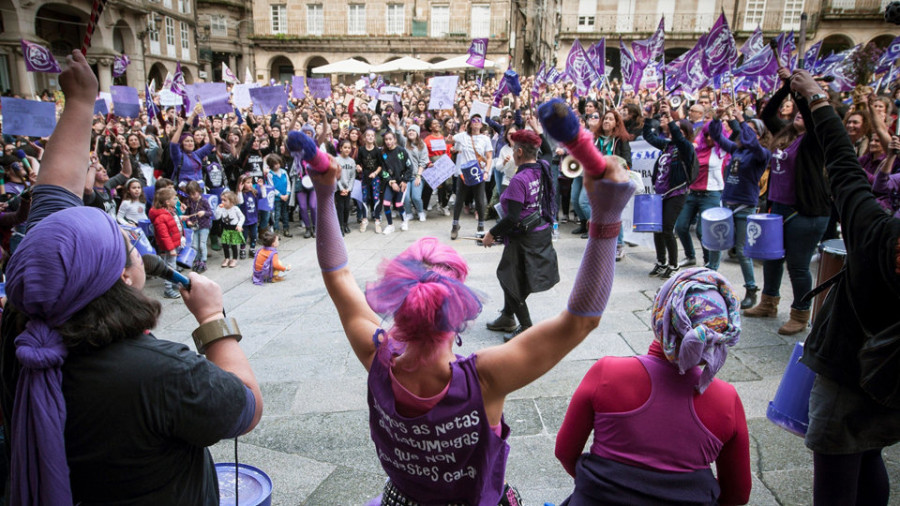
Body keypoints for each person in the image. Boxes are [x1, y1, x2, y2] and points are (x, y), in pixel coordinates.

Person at [304, 98, 636, 504]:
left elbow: (336, 276)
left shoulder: (378, 358)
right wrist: (607, 218)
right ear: (459, 310)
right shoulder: (485, 380)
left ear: (399, 301)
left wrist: (324, 194)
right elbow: (581, 321)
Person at [0, 49, 261, 505]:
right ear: (122, 279)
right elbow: (244, 406)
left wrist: (80, 101)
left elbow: (54, 191)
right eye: (127, 245)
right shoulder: (160, 373)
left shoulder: (21, 330)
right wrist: (213, 318)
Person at [790, 69, 900, 506]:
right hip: (893, 380)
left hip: (849, 372)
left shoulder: (875, 233)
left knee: (839, 469)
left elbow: (843, 163)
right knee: (871, 450)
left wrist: (817, 99)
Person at [555, 268, 750, 505]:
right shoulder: (726, 400)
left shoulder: (608, 373)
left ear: (660, 315)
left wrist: (604, 486)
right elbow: (737, 494)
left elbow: (565, 452)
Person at [744, 68, 831, 335]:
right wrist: (785, 87)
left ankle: (801, 313)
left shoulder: (815, 139)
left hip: (805, 212)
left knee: (798, 265)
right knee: (772, 258)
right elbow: (769, 113)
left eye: (801, 113)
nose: (796, 115)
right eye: (794, 112)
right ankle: (769, 302)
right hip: (778, 209)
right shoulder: (786, 134)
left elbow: (814, 120)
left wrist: (802, 91)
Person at [482, 129, 560, 341]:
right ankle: (508, 317)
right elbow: (547, 152)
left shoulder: (519, 180)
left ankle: (525, 326)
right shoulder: (543, 166)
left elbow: (512, 218)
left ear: (518, 152)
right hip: (540, 232)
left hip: (523, 237)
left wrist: (491, 233)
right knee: (514, 278)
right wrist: (541, 132)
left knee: (508, 278)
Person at [708, 107, 772, 309]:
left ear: (759, 135)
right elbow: (717, 136)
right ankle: (708, 282)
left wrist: (743, 121)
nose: (746, 133)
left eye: (752, 130)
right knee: (716, 245)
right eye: (746, 129)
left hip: (745, 206)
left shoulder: (761, 154)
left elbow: (752, 142)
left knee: (743, 251)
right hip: (727, 203)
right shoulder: (737, 150)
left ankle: (751, 289)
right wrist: (718, 119)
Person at [643, 101, 697, 279]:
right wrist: (649, 119)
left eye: (679, 129)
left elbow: (680, 138)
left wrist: (671, 117)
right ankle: (661, 262)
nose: (674, 132)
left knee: (667, 229)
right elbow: (648, 137)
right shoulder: (667, 145)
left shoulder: (686, 148)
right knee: (657, 229)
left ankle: (673, 265)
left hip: (676, 193)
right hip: (660, 193)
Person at [450, 114, 493, 240]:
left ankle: (480, 226)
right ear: (469, 123)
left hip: (478, 173)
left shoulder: (485, 139)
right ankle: (455, 225)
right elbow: (451, 140)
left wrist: (486, 171)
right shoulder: (462, 136)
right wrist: (449, 137)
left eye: (478, 120)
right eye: (473, 120)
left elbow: (489, 157)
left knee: (480, 200)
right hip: (464, 173)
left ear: (481, 124)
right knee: (459, 200)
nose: (475, 122)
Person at [148, 187, 183, 299]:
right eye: (174, 198)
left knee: (172, 264)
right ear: (167, 201)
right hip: (170, 246)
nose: (177, 200)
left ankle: (174, 283)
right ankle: (168, 289)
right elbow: (164, 235)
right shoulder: (161, 216)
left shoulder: (170, 211)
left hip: (175, 243)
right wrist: (171, 248)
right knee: (170, 266)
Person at [378, 130, 413, 234]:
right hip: (390, 183)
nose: (388, 141)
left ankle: (404, 221)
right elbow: (383, 170)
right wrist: (390, 181)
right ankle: (390, 225)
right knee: (386, 203)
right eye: (386, 139)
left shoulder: (401, 151)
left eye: (390, 139)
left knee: (398, 204)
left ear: (394, 139)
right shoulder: (383, 153)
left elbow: (409, 167)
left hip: (401, 182)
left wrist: (405, 181)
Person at [184, 180, 213, 274]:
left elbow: (210, 213)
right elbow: (187, 214)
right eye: (190, 194)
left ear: (198, 190)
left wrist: (204, 213)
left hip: (204, 226)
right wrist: (188, 221)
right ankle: (197, 260)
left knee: (202, 244)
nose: (192, 196)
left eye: (194, 193)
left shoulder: (204, 201)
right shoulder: (189, 201)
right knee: (194, 245)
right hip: (194, 227)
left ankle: (203, 261)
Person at [216, 190, 245, 268]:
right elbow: (217, 217)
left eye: (225, 200)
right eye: (222, 200)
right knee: (225, 244)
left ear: (231, 201)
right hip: (225, 229)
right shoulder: (222, 208)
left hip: (234, 229)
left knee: (233, 245)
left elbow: (242, 217)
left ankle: (234, 259)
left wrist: (239, 225)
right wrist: (218, 209)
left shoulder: (235, 209)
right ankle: (226, 258)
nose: (222, 202)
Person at [335, 139, 356, 235]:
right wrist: (341, 188)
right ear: (340, 148)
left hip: (347, 189)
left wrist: (348, 189)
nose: (347, 150)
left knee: (347, 207)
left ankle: (345, 224)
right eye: (345, 147)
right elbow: (335, 176)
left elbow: (352, 176)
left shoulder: (351, 161)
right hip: (339, 189)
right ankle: (340, 226)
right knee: (340, 207)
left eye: (349, 148)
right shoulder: (336, 160)